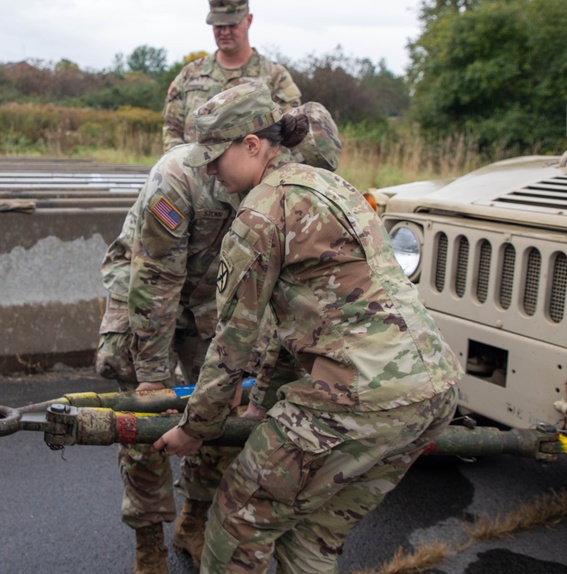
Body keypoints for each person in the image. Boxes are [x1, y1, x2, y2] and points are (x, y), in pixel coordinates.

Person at [153, 81, 464, 573]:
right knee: (311, 538)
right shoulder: (334, 188)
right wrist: (261, 406)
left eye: (215, 156)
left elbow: (233, 344)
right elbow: (288, 329)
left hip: (357, 399)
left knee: (238, 521)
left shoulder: (261, 212)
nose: (209, 170)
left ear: (253, 145)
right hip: (433, 393)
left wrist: (197, 428)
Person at [97, 102, 341, 573]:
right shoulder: (181, 177)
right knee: (146, 417)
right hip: (144, 292)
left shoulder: (288, 187)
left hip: (217, 299)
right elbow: (155, 282)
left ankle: (193, 519)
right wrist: (152, 377)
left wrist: (249, 381)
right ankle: (148, 544)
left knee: (225, 413)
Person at [162, 0, 302, 151]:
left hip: (257, 177)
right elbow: (171, 129)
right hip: (194, 172)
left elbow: (291, 134)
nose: (225, 32)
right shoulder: (190, 75)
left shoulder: (275, 77)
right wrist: (183, 165)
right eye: (219, 26)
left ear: (248, 20)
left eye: (232, 24)